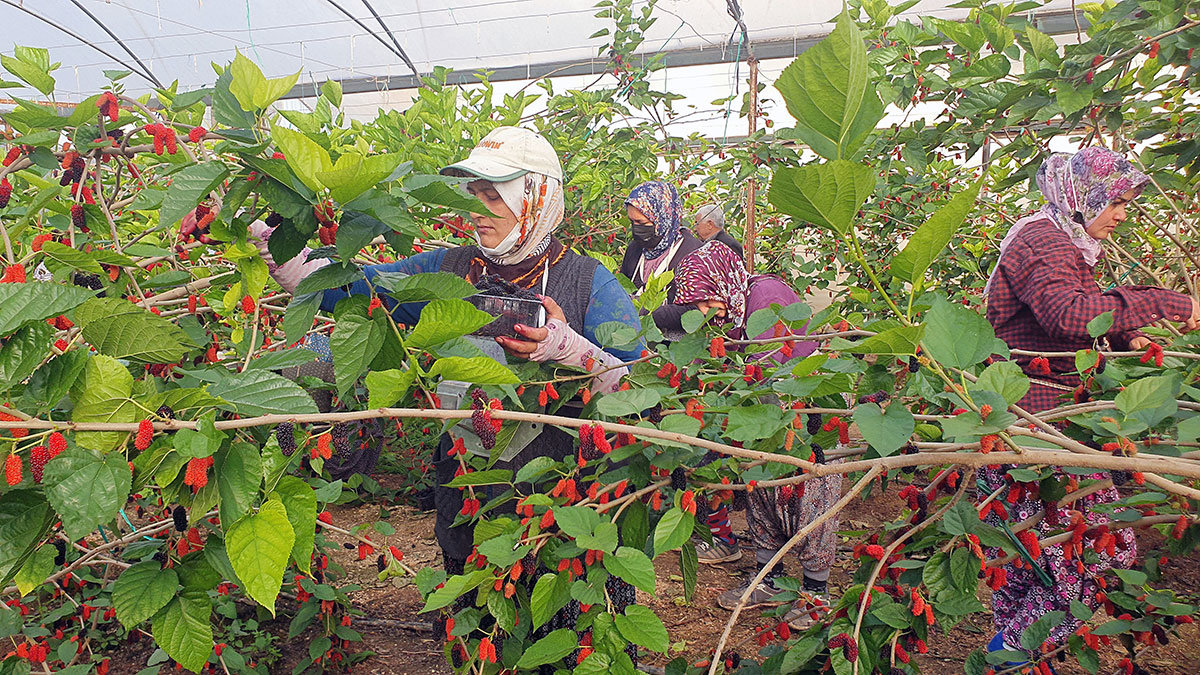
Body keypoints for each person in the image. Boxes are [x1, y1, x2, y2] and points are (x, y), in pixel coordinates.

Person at [255, 127, 644, 582]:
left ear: (536, 199)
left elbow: (635, 393)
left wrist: (570, 349)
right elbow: (356, 287)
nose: (477, 211)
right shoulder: (449, 269)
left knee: (551, 592)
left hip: (555, 492)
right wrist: (270, 243)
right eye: (474, 195)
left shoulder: (588, 283)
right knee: (467, 585)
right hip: (464, 471)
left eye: (494, 197)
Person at [982, 147, 1200, 658]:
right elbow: (1067, 315)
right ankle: (1007, 659)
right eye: (1115, 202)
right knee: (1090, 554)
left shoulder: (1063, 240)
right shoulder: (1044, 241)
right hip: (1041, 424)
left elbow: (1076, 318)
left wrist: (1126, 337)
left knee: (1031, 562)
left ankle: (1009, 658)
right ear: (1082, 197)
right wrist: (1169, 301)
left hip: (1031, 420)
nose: (1122, 215)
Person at [672, 241, 837, 630]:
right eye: (696, 303)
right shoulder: (728, 313)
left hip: (804, 406)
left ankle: (816, 591)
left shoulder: (765, 296)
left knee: (808, 495)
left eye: (706, 300)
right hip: (760, 409)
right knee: (761, 488)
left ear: (722, 283)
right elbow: (720, 367)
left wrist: (731, 405)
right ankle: (769, 580)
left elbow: (770, 369)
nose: (703, 311)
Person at [620, 181, 704, 340]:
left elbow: (696, 310)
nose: (636, 229)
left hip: (676, 346)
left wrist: (647, 312)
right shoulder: (635, 250)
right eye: (632, 222)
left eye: (641, 223)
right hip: (636, 340)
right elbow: (622, 286)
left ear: (662, 218)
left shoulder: (694, 254)